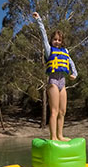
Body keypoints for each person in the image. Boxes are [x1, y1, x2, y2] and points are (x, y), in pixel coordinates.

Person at [32, 12, 77, 141]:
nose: (57, 42)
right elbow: (43, 35)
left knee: (62, 112)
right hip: (53, 82)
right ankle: (53, 137)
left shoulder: (65, 51)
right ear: (52, 40)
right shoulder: (49, 49)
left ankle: (60, 135)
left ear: (62, 41)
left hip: (62, 82)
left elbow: (71, 63)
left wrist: (74, 73)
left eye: (59, 40)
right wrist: (39, 20)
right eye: (55, 39)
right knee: (54, 111)